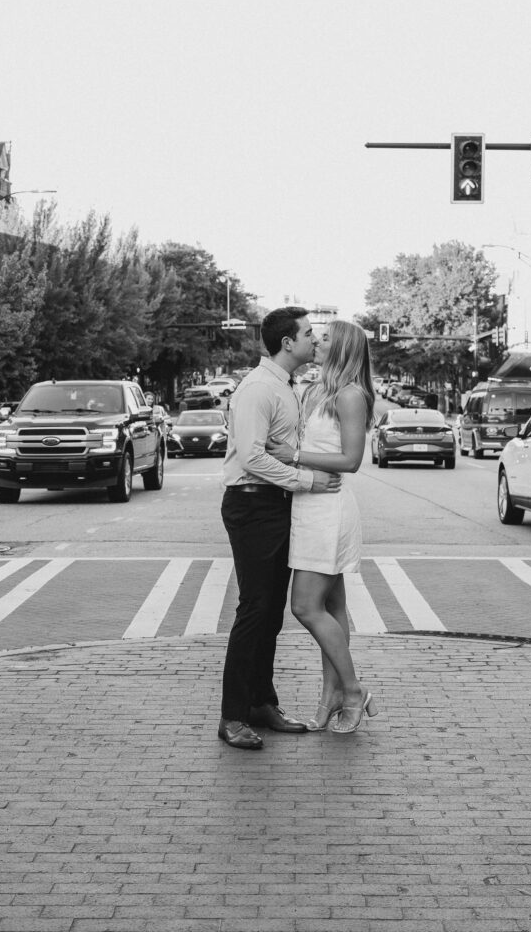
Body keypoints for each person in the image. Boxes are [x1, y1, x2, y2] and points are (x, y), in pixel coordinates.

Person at [219, 306, 341, 751]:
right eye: (309, 333)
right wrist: (308, 480)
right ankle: (232, 715)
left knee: (270, 613)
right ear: (287, 343)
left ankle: (261, 704)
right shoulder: (257, 389)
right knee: (254, 609)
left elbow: (281, 448)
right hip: (252, 506)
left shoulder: (286, 386)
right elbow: (251, 458)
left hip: (275, 505)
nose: (314, 339)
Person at [267, 319, 378, 734]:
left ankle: (352, 691)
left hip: (329, 509)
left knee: (304, 607)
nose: (316, 341)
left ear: (343, 349)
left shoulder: (351, 396)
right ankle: (330, 696)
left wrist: (294, 456)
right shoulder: (314, 390)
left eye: (325, 338)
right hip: (307, 505)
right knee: (332, 607)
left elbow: (351, 460)